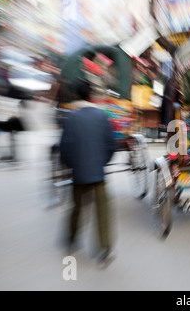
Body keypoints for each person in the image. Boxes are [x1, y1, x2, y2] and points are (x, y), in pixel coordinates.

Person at [60, 79, 116, 268]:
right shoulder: (102, 116)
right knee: (103, 211)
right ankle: (105, 250)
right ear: (91, 95)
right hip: (98, 174)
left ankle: (71, 241)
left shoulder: (72, 118)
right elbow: (111, 145)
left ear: (77, 96)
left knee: (76, 209)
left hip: (79, 174)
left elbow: (65, 149)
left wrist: (73, 166)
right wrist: (100, 163)